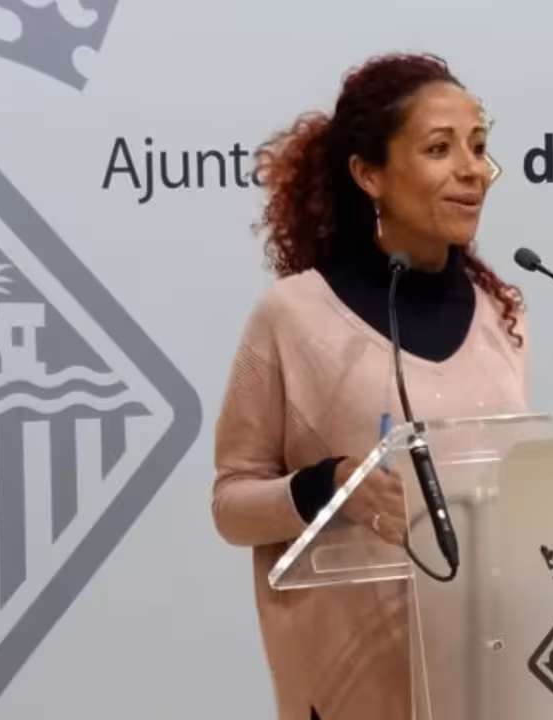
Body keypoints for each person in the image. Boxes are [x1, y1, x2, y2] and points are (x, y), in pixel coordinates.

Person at [210, 52, 530, 720]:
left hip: (489, 673)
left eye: (478, 147)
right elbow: (232, 504)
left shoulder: (502, 314)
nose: (472, 170)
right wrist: (330, 487)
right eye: (439, 149)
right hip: (353, 686)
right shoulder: (294, 316)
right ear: (369, 174)